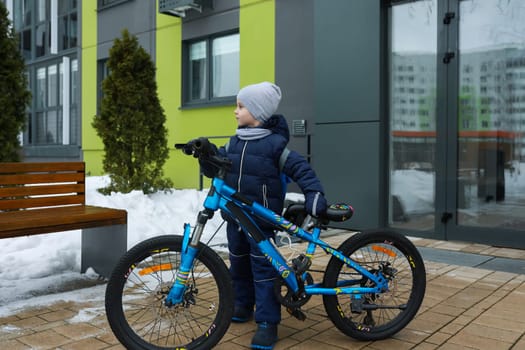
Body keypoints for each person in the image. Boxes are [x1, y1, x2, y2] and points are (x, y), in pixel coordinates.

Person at [201, 82, 327, 350]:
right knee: (239, 265)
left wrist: (314, 195)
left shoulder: (274, 146)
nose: (235, 111)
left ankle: (268, 322)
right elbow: (214, 169)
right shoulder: (234, 143)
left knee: (263, 271)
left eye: (241, 106)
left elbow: (302, 170)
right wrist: (205, 154)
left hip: (260, 221)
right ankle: (243, 304)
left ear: (257, 112)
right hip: (235, 218)